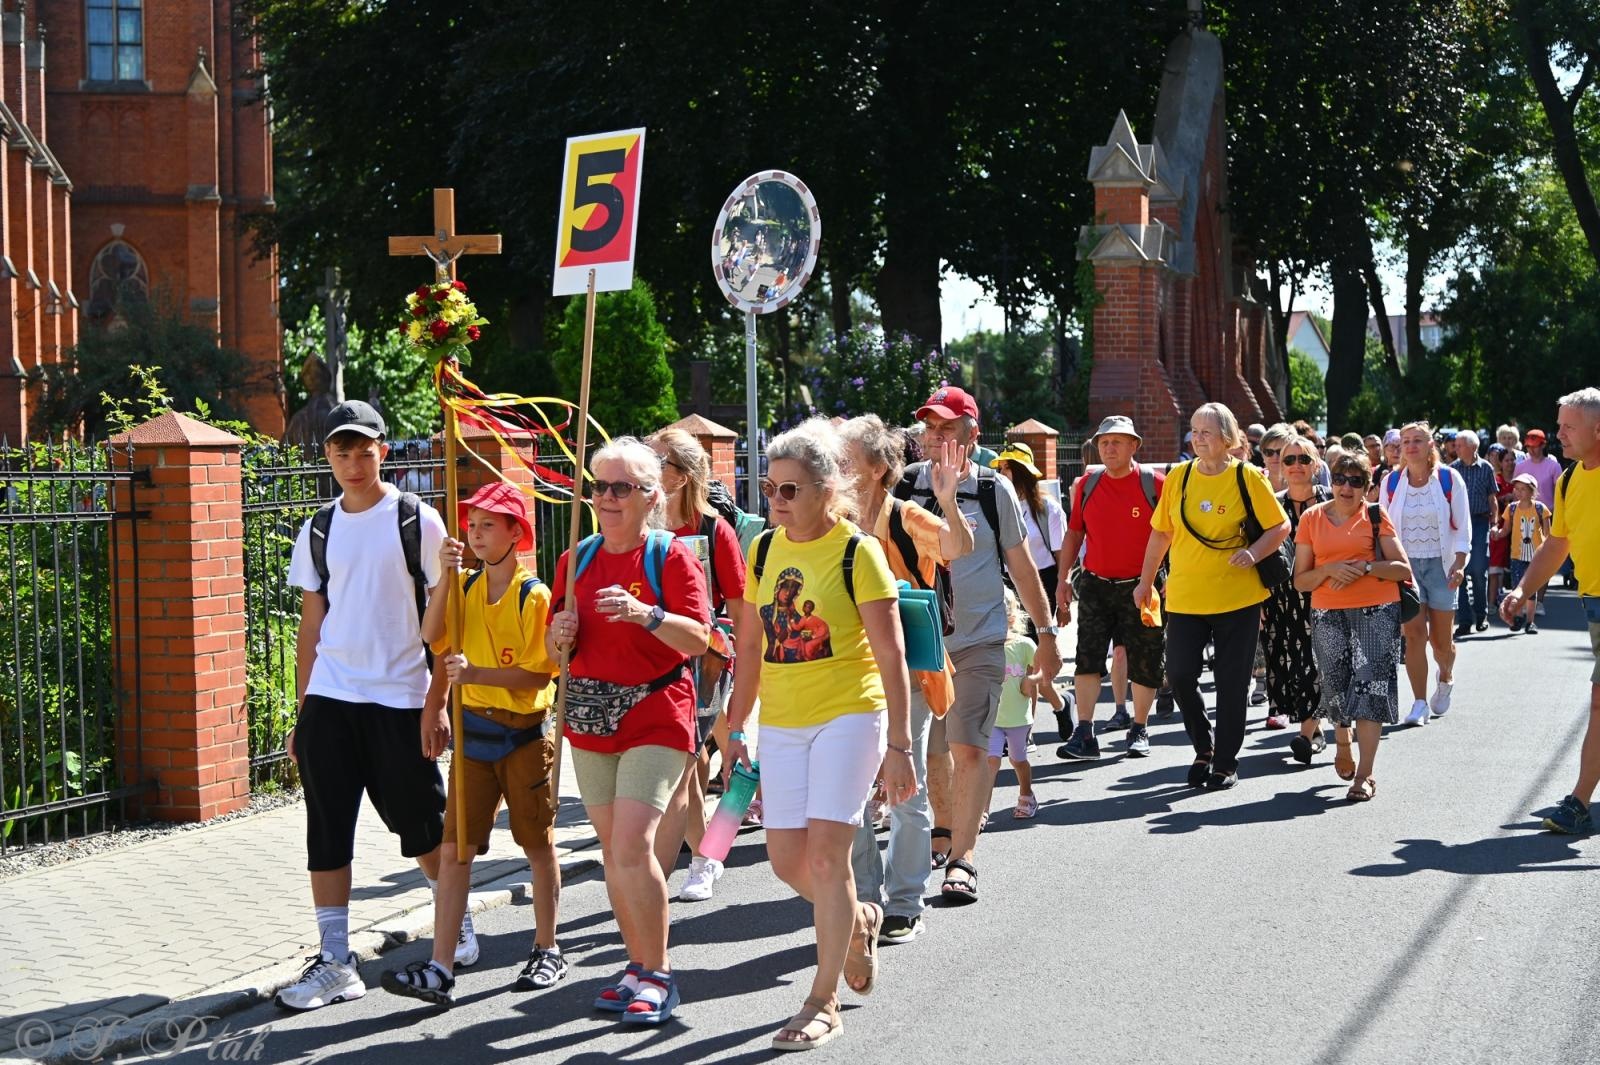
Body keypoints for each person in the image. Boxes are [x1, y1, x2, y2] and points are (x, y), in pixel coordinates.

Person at [725, 418, 916, 1050]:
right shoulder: (762, 549)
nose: (775, 502)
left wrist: (900, 748)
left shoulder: (855, 552)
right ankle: (857, 916)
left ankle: (822, 1000)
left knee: (830, 858)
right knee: (786, 861)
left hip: (849, 716)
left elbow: (892, 657)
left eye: (789, 491)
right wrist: (734, 726)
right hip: (782, 720)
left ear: (826, 489)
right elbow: (749, 646)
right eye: (770, 489)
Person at [277, 401, 450, 1012]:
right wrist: (303, 712)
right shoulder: (320, 527)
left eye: (363, 450)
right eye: (341, 452)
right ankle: (334, 960)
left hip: (400, 698)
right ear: (328, 456)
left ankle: (453, 927)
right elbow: (311, 622)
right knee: (326, 832)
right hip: (332, 696)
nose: (353, 462)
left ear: (383, 449)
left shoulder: (416, 520)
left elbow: (444, 616)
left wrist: (438, 702)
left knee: (422, 825)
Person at [546, 437, 711, 1026]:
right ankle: (635, 966)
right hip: (591, 718)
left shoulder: (669, 557)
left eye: (621, 487)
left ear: (651, 496)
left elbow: (701, 639)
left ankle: (658, 973)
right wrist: (558, 635)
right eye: (599, 486)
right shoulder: (576, 559)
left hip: (656, 711)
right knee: (614, 854)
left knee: (633, 846)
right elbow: (550, 650)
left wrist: (647, 615)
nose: (606, 497)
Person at [382, 484, 566, 1007]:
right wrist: (442, 576)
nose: (476, 533)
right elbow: (431, 633)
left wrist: (477, 671)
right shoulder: (461, 586)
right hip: (472, 736)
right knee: (454, 849)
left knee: (536, 843)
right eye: (473, 524)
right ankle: (441, 965)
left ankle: (547, 946)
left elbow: (537, 677)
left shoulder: (535, 595)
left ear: (515, 532)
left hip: (523, 736)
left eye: (490, 524)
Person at [895, 386, 1062, 904]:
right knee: (931, 749)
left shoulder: (994, 490)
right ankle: (944, 830)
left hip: (981, 639)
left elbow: (1021, 564)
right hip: (919, 640)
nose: (935, 437)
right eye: (929, 428)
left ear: (972, 434)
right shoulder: (903, 486)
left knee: (969, 747)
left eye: (946, 428)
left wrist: (1048, 632)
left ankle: (963, 857)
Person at [840, 414, 972, 946]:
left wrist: (949, 500)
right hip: (845, 672)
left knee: (904, 783)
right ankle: (867, 895)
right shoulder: (829, 520)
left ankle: (904, 900)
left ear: (877, 468)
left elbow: (958, 549)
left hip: (910, 673)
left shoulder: (905, 516)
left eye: (846, 460)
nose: (838, 469)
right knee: (849, 790)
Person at [1135, 402, 1290, 790]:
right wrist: (1145, 580)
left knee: (1232, 682)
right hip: (1186, 596)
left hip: (1238, 597)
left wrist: (1253, 553)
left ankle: (1225, 761)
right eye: (1194, 431)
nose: (1197, 438)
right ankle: (1203, 746)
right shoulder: (1179, 477)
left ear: (1226, 439)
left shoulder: (1247, 477)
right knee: (1181, 673)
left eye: (1206, 432)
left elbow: (1280, 526)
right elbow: (1161, 533)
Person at [644, 428, 748, 904]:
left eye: (655, 462)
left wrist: (747, 673)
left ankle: (701, 860)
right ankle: (698, 856)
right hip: (653, 658)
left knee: (686, 760)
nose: (644, 469)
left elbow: (742, 610)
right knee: (691, 760)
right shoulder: (640, 530)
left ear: (681, 477)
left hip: (706, 660)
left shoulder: (713, 530)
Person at [1502, 389, 1600, 832]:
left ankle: (1579, 800)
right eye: (1559, 425)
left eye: (1567, 426)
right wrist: (1522, 589)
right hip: (1592, 605)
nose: (1559, 433)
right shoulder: (1568, 480)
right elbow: (1558, 544)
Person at [1294, 450, 1412, 801]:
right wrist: (1329, 570)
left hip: (1377, 610)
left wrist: (1365, 567)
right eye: (1340, 480)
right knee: (1335, 683)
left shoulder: (1375, 516)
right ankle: (1342, 743)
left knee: (1371, 687)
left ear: (1367, 486)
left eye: (1355, 481)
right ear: (1331, 482)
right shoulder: (1312, 519)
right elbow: (1300, 581)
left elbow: (1402, 569)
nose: (1346, 487)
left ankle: (1365, 774)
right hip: (1328, 611)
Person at [1056, 415, 1166, 758]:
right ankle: (1084, 733)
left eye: (1117, 441)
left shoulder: (1155, 484)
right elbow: (1074, 533)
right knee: (1087, 659)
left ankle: (1139, 728)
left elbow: (1172, 536)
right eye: (1103, 442)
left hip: (1142, 587)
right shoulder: (1087, 485)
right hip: (1095, 585)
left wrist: (1169, 582)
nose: (1109, 448)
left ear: (1134, 446)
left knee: (1145, 660)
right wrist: (1062, 579)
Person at [1378, 421, 1470, 727]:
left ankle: (1445, 676)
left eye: (1418, 440)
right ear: (1400, 447)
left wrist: (1459, 564)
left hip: (1442, 567)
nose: (1411, 446)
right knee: (1415, 636)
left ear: (1431, 445)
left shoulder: (1448, 479)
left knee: (1441, 643)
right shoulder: (1391, 482)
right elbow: (1383, 528)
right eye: (1406, 441)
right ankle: (1419, 703)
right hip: (1407, 569)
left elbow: (1462, 527)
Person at [1262, 434, 1330, 743]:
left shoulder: (1332, 500)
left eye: (1304, 458)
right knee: (1293, 664)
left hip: (1327, 594)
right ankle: (1312, 727)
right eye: (1289, 459)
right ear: (1280, 467)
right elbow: (1259, 556)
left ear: (1316, 464)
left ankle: (1310, 733)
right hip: (1282, 599)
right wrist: (1259, 601)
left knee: (1319, 662)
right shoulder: (1271, 506)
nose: (1296, 465)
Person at [991, 440, 1067, 635]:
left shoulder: (1049, 509)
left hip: (1043, 581)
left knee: (1036, 642)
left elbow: (1062, 556)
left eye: (1007, 468)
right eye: (1000, 468)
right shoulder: (997, 506)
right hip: (1007, 582)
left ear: (1022, 471)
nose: (1001, 474)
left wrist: (1063, 599)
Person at [986, 590, 1040, 819]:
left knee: (1018, 760)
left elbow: (1043, 673)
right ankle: (982, 809)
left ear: (1011, 616)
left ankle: (1027, 795)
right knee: (990, 762)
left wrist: (1031, 680)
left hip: (1018, 717)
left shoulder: (1024, 645)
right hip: (992, 718)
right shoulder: (985, 647)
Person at [1450, 430, 1498, 636]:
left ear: (1472, 447)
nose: (1455, 448)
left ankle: (1481, 615)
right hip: (1458, 524)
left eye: (1460, 445)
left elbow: (1492, 499)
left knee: (1478, 570)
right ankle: (1464, 620)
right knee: (1458, 570)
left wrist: (1495, 523)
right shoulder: (1452, 470)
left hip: (1479, 521)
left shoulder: (1486, 468)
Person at [1495, 473, 1550, 633]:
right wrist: (1497, 533)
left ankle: (1530, 621)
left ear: (1532, 491)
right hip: (1517, 556)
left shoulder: (1540, 509)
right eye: (1516, 488)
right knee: (1517, 588)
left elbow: (1548, 534)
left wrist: (1548, 552)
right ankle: (1518, 617)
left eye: (1523, 489)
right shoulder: (1511, 508)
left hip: (1536, 556)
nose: (1518, 492)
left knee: (1531, 589)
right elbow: (1506, 530)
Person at [1517, 429, 1564, 615]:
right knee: (1522, 560)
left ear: (1543, 446)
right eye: (1529, 447)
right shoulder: (1521, 467)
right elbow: (1517, 491)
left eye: (1536, 447)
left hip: (1546, 515)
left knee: (1543, 558)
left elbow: (1560, 492)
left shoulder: (1553, 466)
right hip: (1523, 516)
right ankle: (1523, 598)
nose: (1532, 450)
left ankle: (1539, 600)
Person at [1488, 445, 1517, 609]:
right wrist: (1505, 497)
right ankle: (1491, 602)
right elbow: (1492, 501)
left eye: (1513, 460)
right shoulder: (1495, 480)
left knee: (1518, 568)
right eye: (1506, 460)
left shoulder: (1521, 480)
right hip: (1500, 526)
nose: (1510, 463)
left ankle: (1517, 605)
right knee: (1495, 566)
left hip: (1519, 529)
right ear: (1500, 462)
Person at [1259, 422, 1295, 492]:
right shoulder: (1253, 480)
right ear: (1263, 455)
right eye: (1269, 452)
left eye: (1280, 452)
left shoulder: (1303, 481)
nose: (1275, 457)